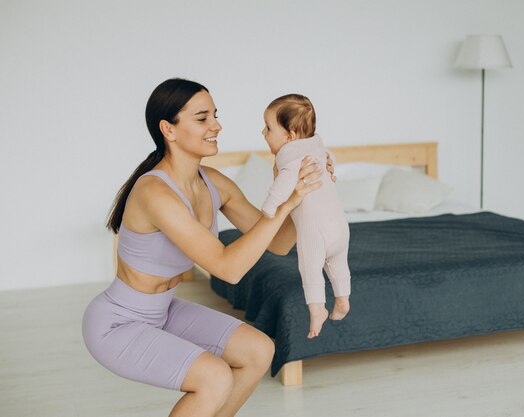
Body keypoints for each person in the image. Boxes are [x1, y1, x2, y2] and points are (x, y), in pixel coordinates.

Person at [82, 78, 335, 417]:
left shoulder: (214, 183)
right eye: (202, 118)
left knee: (258, 350)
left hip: (163, 310)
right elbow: (227, 268)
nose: (216, 125)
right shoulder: (154, 193)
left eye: (215, 115)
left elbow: (279, 242)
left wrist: (304, 188)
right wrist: (287, 204)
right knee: (213, 378)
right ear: (168, 130)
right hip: (118, 323)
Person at [261, 94, 351, 340]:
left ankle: (317, 309)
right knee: (338, 263)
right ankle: (342, 299)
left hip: (316, 231)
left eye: (268, 128)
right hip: (341, 227)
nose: (263, 133)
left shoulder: (292, 159)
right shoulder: (320, 151)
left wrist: (269, 208)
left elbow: (282, 186)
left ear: (289, 136)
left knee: (310, 268)